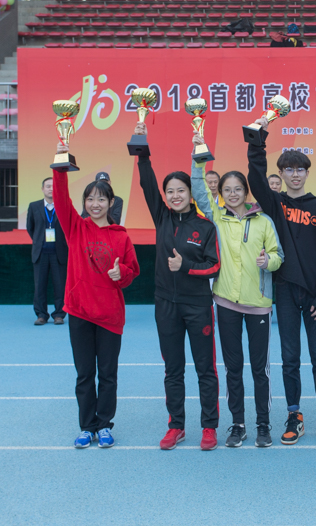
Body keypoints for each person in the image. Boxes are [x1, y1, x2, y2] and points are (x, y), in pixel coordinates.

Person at [246, 119, 316, 446]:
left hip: (315, 296)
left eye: (300, 169)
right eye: (289, 169)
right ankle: (294, 415)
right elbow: (255, 177)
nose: (295, 174)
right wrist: (257, 141)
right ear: (282, 174)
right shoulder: (275, 204)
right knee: (289, 358)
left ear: (307, 173)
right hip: (285, 291)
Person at [134, 122, 221, 452]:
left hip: (198, 305)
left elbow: (214, 265)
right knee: (173, 369)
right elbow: (146, 182)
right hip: (165, 305)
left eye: (180, 190)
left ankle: (209, 426)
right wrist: (141, 146)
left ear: (190, 193)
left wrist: (185, 266)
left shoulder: (205, 226)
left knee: (205, 370)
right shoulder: (162, 217)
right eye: (170, 191)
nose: (174, 196)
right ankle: (176, 426)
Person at [191, 135, 283, 449]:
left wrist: (268, 261)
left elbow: (278, 255)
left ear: (246, 192)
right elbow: (198, 191)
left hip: (259, 304)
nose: (232, 194)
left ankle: (263, 424)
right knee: (233, 368)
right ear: (221, 193)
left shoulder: (264, 221)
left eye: (237, 189)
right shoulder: (217, 217)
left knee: (260, 370)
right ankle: (238, 424)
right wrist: (197, 160)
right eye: (227, 189)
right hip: (226, 303)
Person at [52, 143, 139, 449]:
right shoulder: (75, 228)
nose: (95, 204)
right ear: (84, 203)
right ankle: (87, 426)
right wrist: (60, 164)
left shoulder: (121, 236)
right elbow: (60, 199)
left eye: (101, 199)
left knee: (108, 375)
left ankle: (104, 425)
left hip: (110, 316)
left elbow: (132, 271)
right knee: (85, 374)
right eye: (90, 199)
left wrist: (120, 273)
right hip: (79, 312)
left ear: (111, 202)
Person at [26, 177, 68, 326]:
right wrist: (39, 241)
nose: (51, 189)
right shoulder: (34, 206)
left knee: (60, 286)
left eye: (53, 186)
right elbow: (30, 227)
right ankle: (41, 315)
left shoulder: (64, 206)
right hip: (41, 253)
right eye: (48, 186)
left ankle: (59, 315)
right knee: (39, 286)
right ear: (42, 189)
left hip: (59, 253)